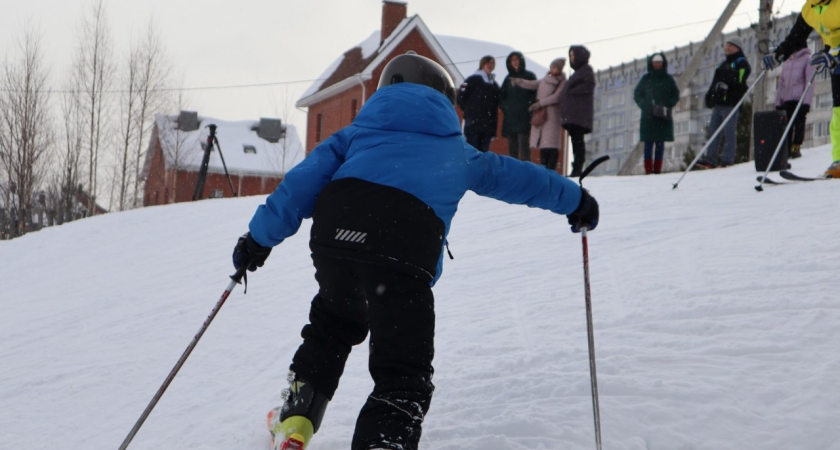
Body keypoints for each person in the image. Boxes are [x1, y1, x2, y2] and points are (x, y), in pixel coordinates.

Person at [230, 53, 600, 450]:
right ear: (444, 99)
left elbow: (297, 188)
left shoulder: (353, 136)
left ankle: (296, 417)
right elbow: (519, 177)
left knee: (333, 324)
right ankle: (383, 441)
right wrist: (575, 199)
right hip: (403, 250)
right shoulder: (455, 149)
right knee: (402, 370)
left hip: (336, 239)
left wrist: (257, 241)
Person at [763, 0, 839, 177]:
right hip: (835, 57)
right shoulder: (809, 9)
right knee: (839, 112)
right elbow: (796, 37)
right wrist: (778, 54)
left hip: (836, 55)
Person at [698, 37, 751, 169]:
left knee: (729, 131)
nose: (727, 48)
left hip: (731, 103)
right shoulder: (723, 64)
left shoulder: (741, 62)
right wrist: (709, 96)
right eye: (726, 45)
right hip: (719, 102)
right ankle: (710, 158)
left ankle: (728, 158)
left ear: (737, 48)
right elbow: (715, 82)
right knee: (713, 131)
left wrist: (730, 86)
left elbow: (741, 80)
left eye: (731, 46)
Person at [511, 57, 567, 170]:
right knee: (543, 145)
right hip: (541, 116)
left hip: (552, 116)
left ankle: (550, 171)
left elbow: (556, 98)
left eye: (555, 67)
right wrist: (520, 81)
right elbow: (532, 84)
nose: (552, 69)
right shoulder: (545, 80)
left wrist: (540, 103)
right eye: (551, 67)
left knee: (551, 145)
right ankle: (544, 170)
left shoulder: (562, 82)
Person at [633, 52, 680, 174]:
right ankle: (648, 171)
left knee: (660, 143)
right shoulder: (646, 79)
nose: (657, 65)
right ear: (651, 64)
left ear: (663, 63)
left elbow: (675, 94)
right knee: (648, 144)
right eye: (655, 62)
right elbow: (637, 94)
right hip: (648, 117)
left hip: (662, 117)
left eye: (659, 62)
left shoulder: (668, 79)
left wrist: (667, 105)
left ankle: (657, 170)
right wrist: (645, 105)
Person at [559, 45, 596, 177]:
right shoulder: (578, 72)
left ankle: (578, 168)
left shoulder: (586, 70)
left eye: (574, 55)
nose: (572, 58)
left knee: (578, 142)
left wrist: (570, 92)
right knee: (576, 142)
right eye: (570, 56)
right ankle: (576, 167)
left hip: (579, 116)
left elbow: (588, 86)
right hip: (574, 116)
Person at [774, 46, 814, 159]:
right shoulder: (787, 60)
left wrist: (806, 102)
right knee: (786, 125)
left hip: (799, 98)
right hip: (787, 99)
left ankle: (796, 146)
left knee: (799, 123)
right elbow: (781, 83)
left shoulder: (807, 59)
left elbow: (809, 82)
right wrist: (778, 101)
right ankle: (786, 148)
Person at [499, 51, 538, 161]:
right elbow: (501, 97)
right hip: (511, 118)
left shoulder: (529, 76)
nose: (515, 62)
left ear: (521, 60)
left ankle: (526, 170)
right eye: (512, 60)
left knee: (524, 146)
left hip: (524, 117)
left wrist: (527, 105)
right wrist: (507, 108)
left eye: (516, 59)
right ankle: (514, 170)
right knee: (512, 148)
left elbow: (535, 93)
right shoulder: (508, 79)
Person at [457, 55, 501, 152]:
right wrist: (470, 111)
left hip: (487, 127)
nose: (490, 65)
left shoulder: (494, 85)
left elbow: (496, 105)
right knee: (472, 151)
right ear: (482, 64)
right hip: (473, 125)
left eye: (492, 63)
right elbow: (461, 97)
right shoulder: (473, 79)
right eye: (488, 62)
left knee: (483, 154)